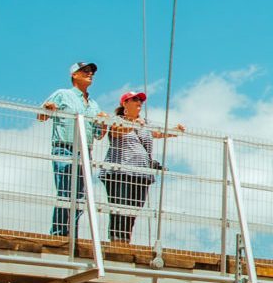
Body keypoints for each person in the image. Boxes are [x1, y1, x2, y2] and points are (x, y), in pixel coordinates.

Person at [99, 91, 184, 243]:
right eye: (135, 99)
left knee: (133, 210)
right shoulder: (117, 120)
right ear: (125, 103)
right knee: (120, 208)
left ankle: (125, 240)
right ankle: (117, 240)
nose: (139, 102)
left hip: (141, 174)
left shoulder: (145, 123)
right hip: (120, 172)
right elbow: (117, 132)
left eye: (140, 100)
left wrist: (174, 131)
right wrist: (132, 124)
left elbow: (158, 133)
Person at [37, 61, 106, 239]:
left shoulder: (94, 105)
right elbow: (41, 116)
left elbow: (99, 134)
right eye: (85, 71)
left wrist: (104, 122)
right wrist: (48, 108)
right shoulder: (62, 94)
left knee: (80, 195)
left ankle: (70, 234)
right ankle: (60, 233)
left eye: (91, 71)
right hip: (65, 148)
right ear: (74, 75)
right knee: (66, 191)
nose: (90, 74)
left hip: (85, 153)